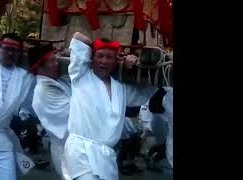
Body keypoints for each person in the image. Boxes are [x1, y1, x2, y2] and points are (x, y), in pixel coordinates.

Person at [63, 32, 158, 180]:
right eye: (100, 56)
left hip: (107, 158)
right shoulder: (80, 76)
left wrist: (133, 68)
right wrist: (96, 44)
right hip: (80, 152)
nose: (104, 61)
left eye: (109, 57)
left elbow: (146, 91)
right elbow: (77, 36)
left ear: (116, 61)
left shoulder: (121, 88)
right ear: (91, 58)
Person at [0, 33, 35, 180]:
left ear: (20, 53)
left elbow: (30, 105)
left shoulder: (26, 76)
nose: (10, 53)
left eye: (15, 50)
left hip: (1, 138)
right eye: (6, 48)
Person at [29, 43, 71, 180]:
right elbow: (75, 115)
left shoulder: (58, 81)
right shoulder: (43, 92)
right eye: (52, 61)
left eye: (56, 59)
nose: (57, 64)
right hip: (65, 150)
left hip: (76, 148)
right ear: (39, 67)